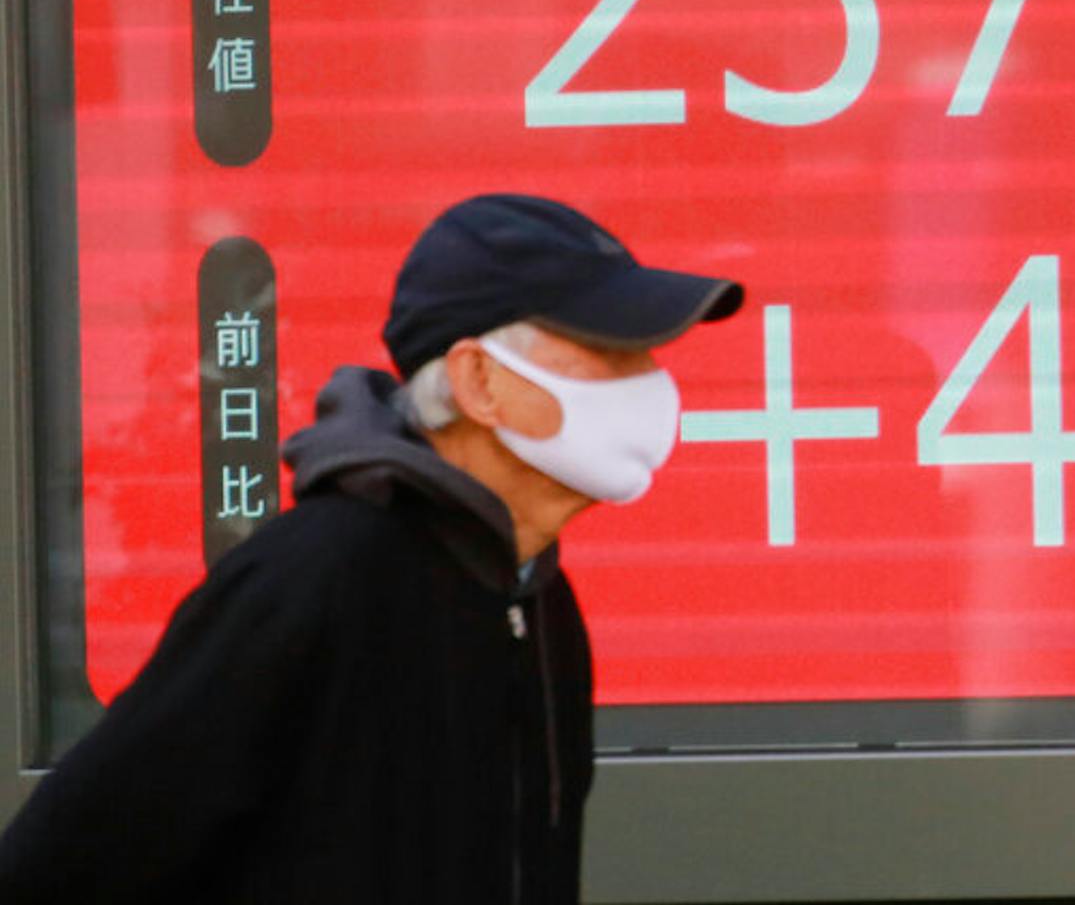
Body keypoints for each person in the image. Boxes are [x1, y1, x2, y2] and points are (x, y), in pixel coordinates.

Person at [0, 193, 742, 904]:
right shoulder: (317, 576)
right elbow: (66, 860)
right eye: (610, 351)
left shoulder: (540, 596)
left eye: (647, 352)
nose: (650, 386)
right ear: (478, 380)